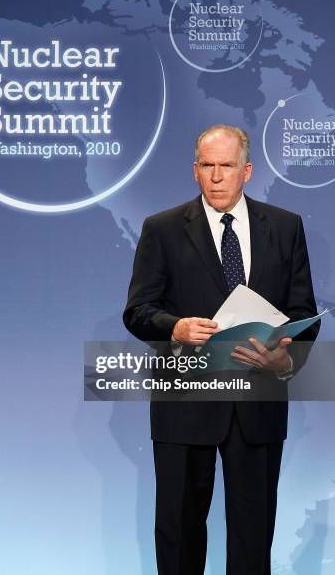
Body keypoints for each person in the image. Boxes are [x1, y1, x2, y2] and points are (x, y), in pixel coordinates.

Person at [123, 125, 320, 575]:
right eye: (207, 166)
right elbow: (137, 311)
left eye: (226, 166)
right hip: (185, 401)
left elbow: (302, 312)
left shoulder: (285, 227)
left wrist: (285, 360)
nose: (216, 177)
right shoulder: (163, 229)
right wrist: (175, 327)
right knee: (179, 533)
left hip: (258, 401)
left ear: (246, 171)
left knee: (253, 539)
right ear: (195, 172)